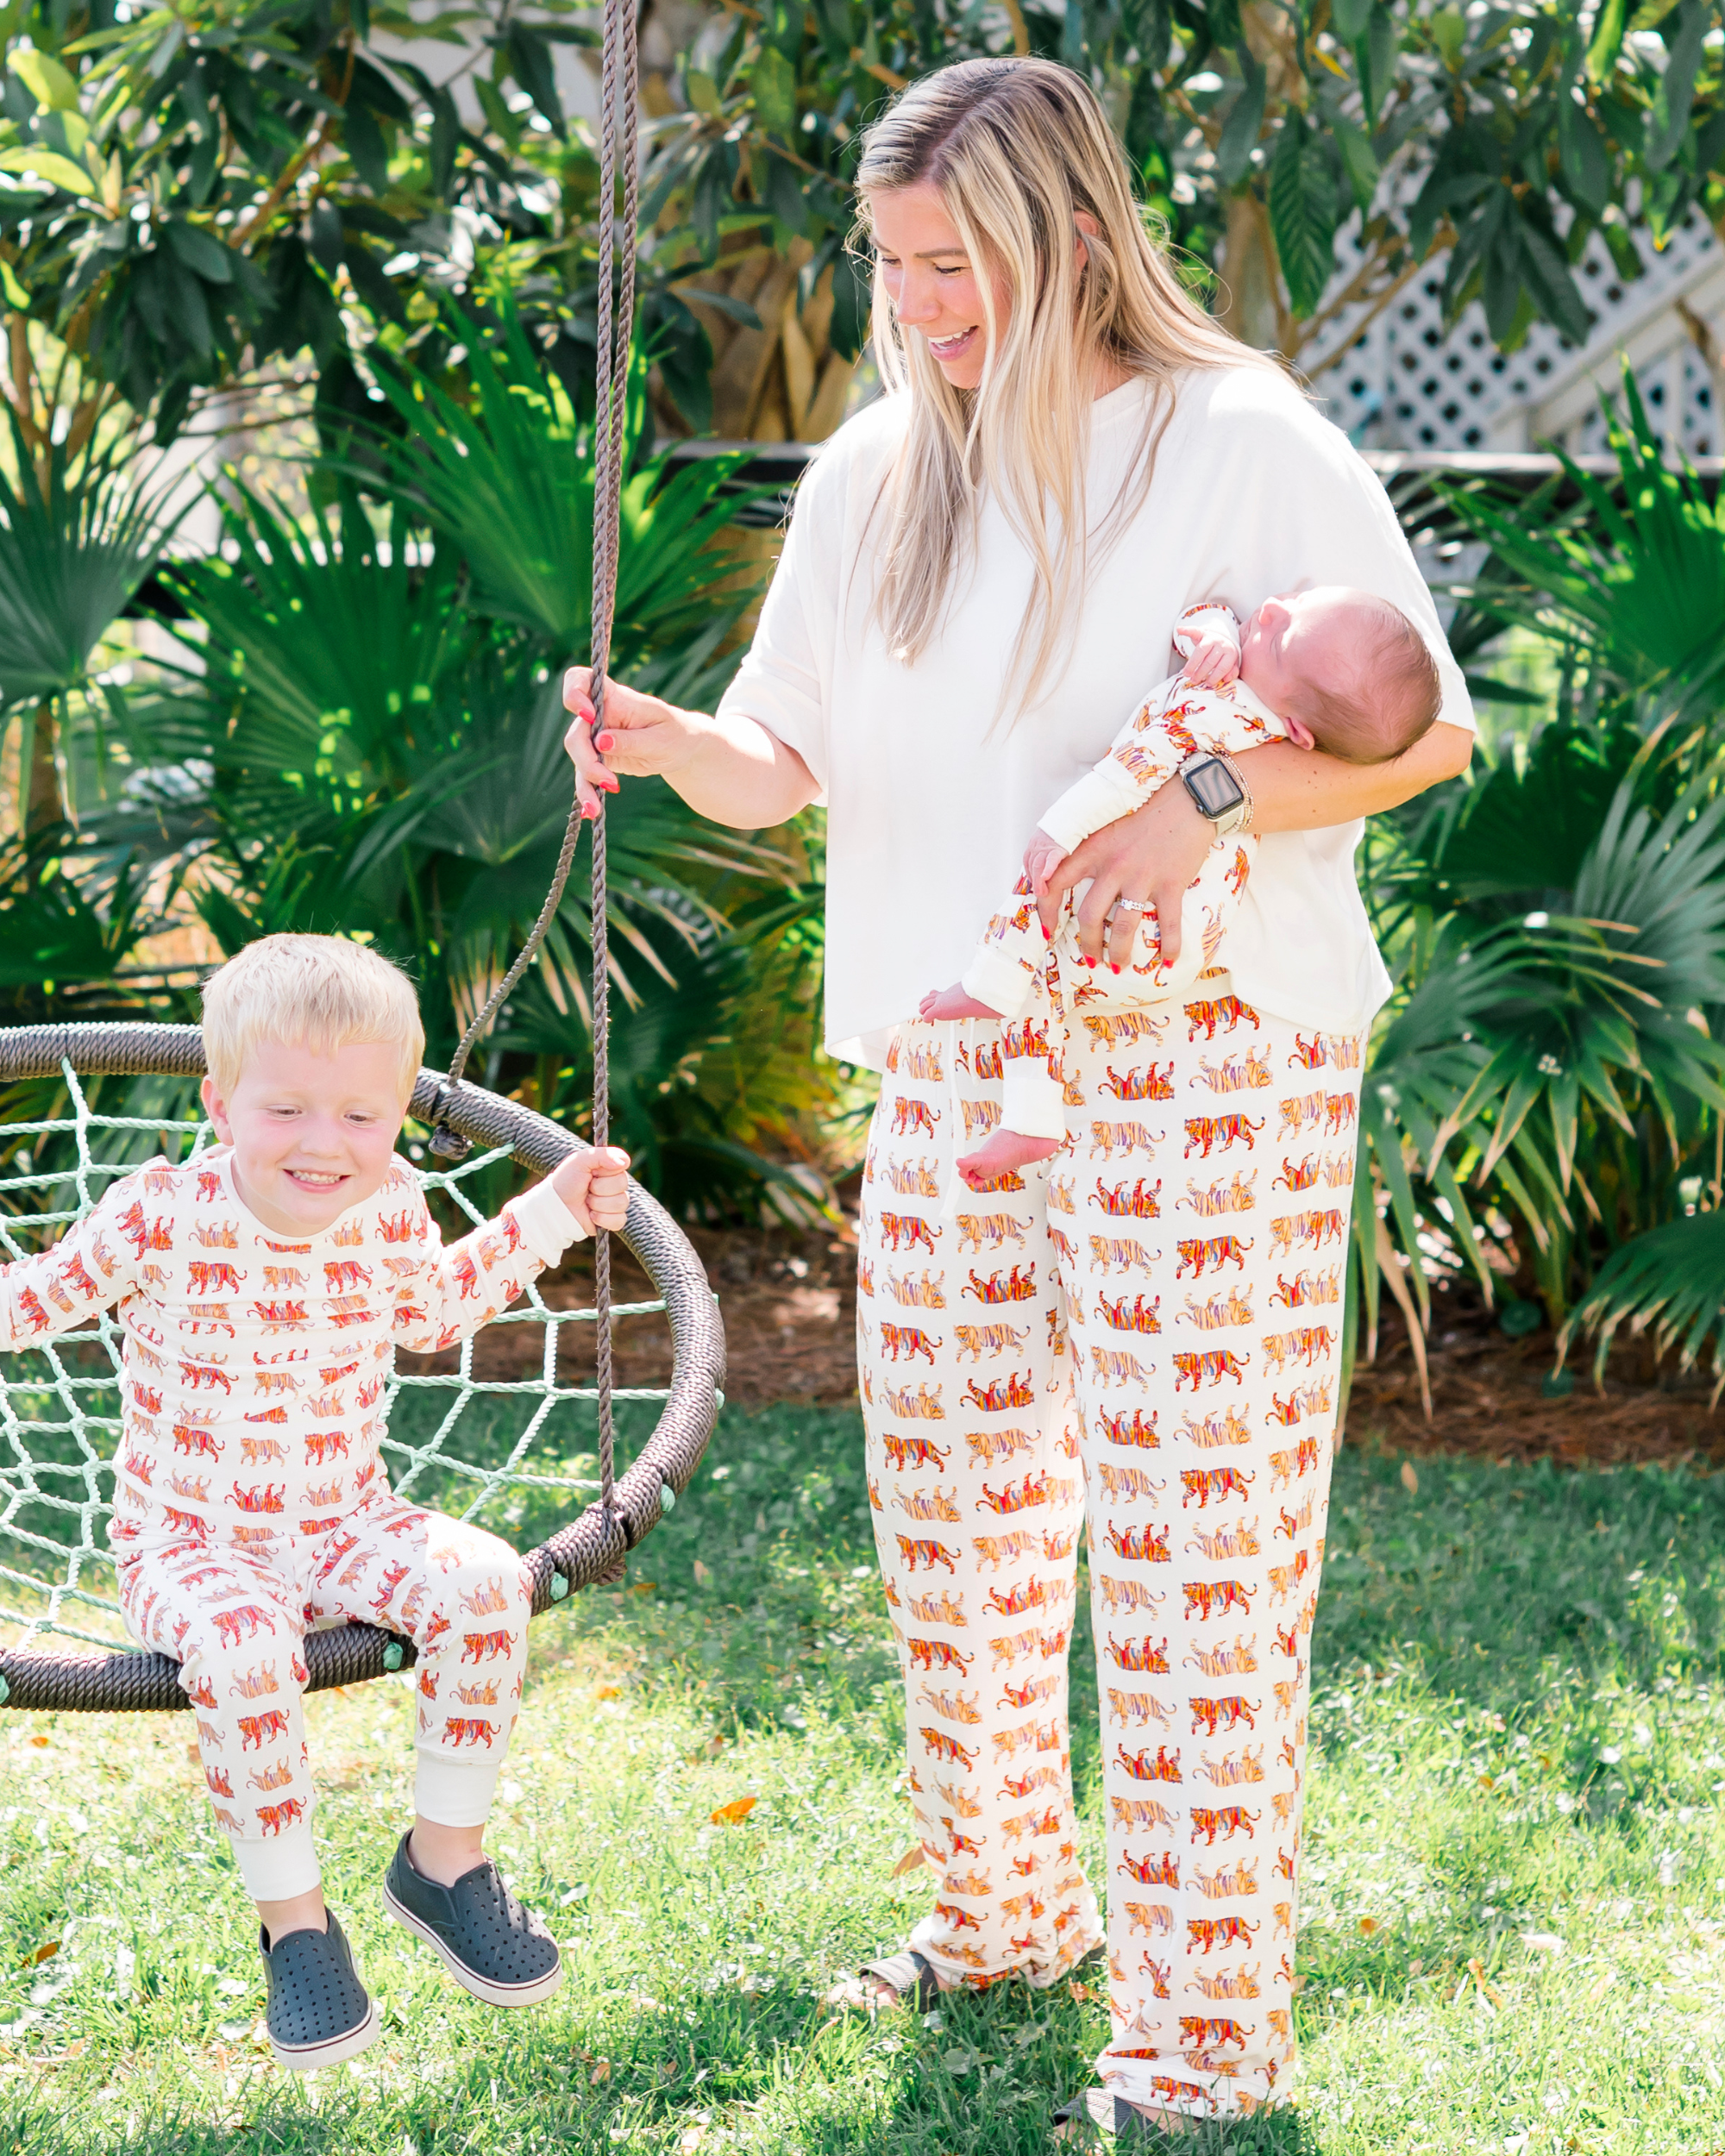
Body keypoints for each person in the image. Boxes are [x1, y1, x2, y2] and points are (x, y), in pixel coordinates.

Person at [561, 54, 1474, 2138]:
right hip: (949, 1050)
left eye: (952, 266)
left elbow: (1417, 737)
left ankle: (1201, 2043)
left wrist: (1212, 799)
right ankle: (1001, 1920)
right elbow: (785, 764)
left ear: (1069, 238)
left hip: (1202, 1061)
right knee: (955, 1538)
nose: (921, 308)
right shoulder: (879, 467)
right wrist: (652, 731)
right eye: (891, 269)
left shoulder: (1239, 437)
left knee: (1190, 1556)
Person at [0, 935, 630, 2071]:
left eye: (357, 1116)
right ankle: (297, 1927)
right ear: (221, 1101)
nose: (322, 1144)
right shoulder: (160, 1213)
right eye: (285, 1109)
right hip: (186, 1542)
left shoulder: (389, 1204)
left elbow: (436, 1311)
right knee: (242, 1653)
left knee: (488, 1582)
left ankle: (443, 1861)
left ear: (395, 1117)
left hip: (345, 1522)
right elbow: (28, 1305)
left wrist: (552, 1213)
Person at [920, 588, 1440, 1188]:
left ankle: (993, 984)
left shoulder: (1220, 713)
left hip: (1143, 931)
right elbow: (1214, 609)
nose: (1266, 611)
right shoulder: (1259, 703)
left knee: (1044, 889)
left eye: (1278, 636)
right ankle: (1030, 1112)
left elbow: (1125, 775)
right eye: (1290, 604)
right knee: (1050, 988)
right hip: (1178, 944)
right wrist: (1219, 633)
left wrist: (1054, 833)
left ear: (1298, 729)